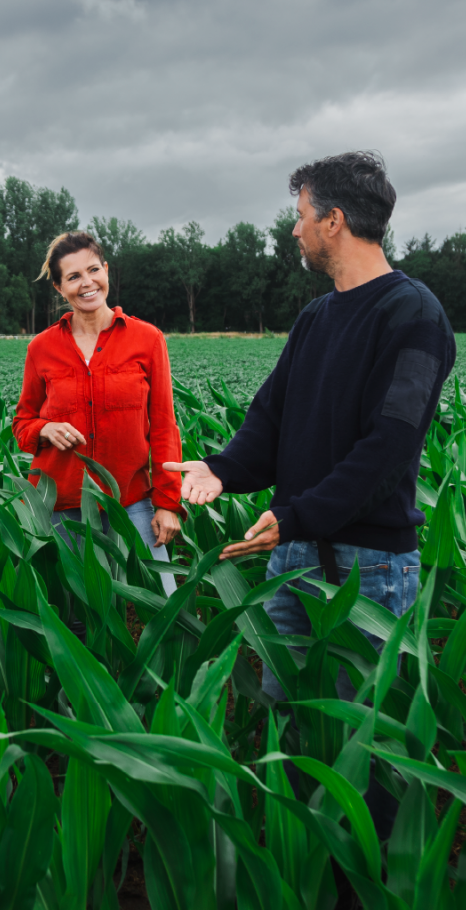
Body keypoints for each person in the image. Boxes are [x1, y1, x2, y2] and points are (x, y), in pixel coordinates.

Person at [165, 151, 456, 833]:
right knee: (288, 727)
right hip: (292, 559)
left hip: (367, 571)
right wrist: (221, 468)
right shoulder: (316, 319)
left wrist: (297, 514)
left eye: (300, 218)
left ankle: (366, 880)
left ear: (333, 221)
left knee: (363, 749)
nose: (292, 231)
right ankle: (303, 871)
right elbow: (271, 417)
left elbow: (390, 446)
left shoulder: (414, 315)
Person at [12, 231, 184, 594]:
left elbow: (165, 428)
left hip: (130, 499)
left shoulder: (147, 339)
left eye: (93, 270)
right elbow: (22, 423)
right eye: (73, 277)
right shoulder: (41, 348)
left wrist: (168, 504)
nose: (87, 283)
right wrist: (45, 429)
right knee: (76, 612)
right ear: (60, 289)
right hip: (61, 503)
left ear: (106, 271)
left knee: (167, 600)